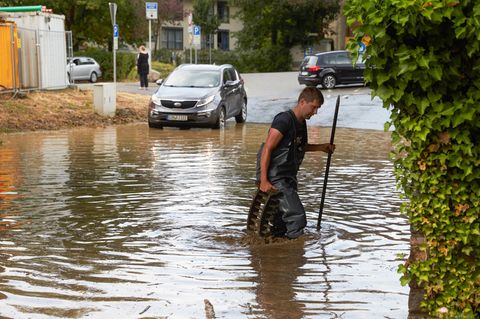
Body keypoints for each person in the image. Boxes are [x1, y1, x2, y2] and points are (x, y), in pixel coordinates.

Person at [256, 87, 335, 239]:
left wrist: (322, 147)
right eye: (314, 107)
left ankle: (275, 255)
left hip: (288, 176)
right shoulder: (284, 120)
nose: (315, 112)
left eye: (317, 108)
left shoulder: (301, 123)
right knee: (297, 217)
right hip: (275, 178)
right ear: (302, 102)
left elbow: (299, 147)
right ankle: (295, 256)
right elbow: (267, 148)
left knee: (280, 223)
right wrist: (264, 180)